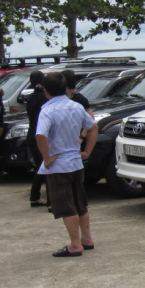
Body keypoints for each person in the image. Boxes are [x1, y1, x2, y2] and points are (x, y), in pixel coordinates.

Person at [36, 72, 97, 257]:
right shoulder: (77, 106)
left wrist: (46, 158)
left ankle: (75, 244)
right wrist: (87, 151)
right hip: (76, 162)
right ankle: (87, 238)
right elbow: (93, 127)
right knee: (80, 203)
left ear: (46, 91)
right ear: (65, 88)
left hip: (59, 165)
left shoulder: (47, 110)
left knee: (66, 206)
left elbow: (40, 136)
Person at [25, 70, 49, 208]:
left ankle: (35, 196)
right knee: (46, 166)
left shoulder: (31, 97)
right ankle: (43, 198)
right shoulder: (45, 98)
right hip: (41, 135)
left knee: (41, 166)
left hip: (31, 135)